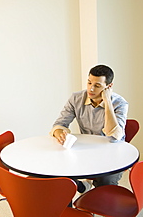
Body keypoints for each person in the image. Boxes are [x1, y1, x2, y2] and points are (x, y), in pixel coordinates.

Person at [50, 64, 128, 193]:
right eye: (89, 82)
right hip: (87, 151)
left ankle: (92, 192)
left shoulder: (120, 103)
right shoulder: (76, 98)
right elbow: (59, 124)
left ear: (108, 87)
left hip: (112, 154)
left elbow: (114, 136)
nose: (90, 89)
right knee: (61, 172)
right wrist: (60, 133)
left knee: (105, 183)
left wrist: (107, 101)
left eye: (97, 85)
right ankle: (81, 188)